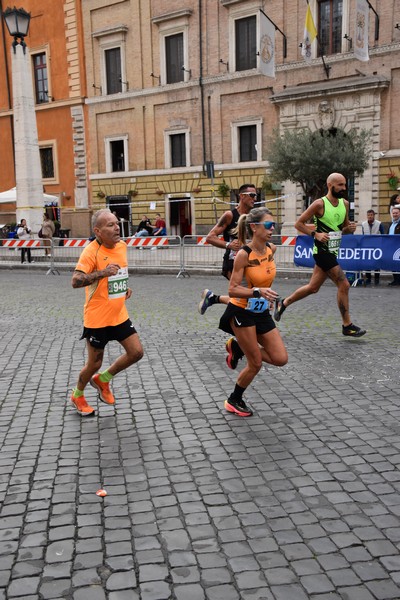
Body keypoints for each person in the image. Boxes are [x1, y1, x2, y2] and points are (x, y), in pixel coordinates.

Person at [274, 172, 366, 337]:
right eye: (340, 185)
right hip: (322, 251)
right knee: (344, 285)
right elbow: (298, 224)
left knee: (313, 287)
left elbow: (342, 229)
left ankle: (284, 303)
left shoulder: (344, 204)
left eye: (345, 185)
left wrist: (349, 229)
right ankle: (347, 325)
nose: (344, 188)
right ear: (331, 186)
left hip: (333, 249)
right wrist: (314, 234)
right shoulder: (319, 204)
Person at [70, 209, 144, 416]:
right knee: (94, 363)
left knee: (136, 352)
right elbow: (75, 281)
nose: (117, 227)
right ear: (98, 231)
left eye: (117, 223)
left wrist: (123, 288)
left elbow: (118, 274)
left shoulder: (121, 246)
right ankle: (77, 394)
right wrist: (103, 272)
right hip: (97, 319)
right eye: (110, 225)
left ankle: (103, 380)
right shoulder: (90, 251)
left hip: (119, 314)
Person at [219, 207, 288, 417]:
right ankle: (234, 399)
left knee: (280, 358)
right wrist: (257, 291)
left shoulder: (271, 249)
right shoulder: (243, 255)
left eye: (273, 225)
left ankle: (238, 345)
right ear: (254, 227)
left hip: (260, 312)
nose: (272, 228)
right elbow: (232, 289)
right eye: (268, 225)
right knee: (255, 362)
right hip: (241, 312)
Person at [198, 183, 262, 370]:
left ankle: (214, 299)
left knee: (245, 300)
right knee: (247, 298)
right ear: (241, 196)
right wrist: (228, 245)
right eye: (251, 195)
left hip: (248, 264)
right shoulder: (229, 215)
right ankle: (239, 342)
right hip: (232, 263)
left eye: (256, 195)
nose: (254, 198)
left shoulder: (253, 217)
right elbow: (210, 237)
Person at [361, 209, 384, 285]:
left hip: (376, 246)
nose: (370, 216)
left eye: (371, 215)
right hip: (367, 246)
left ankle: (377, 279)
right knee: (368, 263)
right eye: (368, 215)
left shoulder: (379, 224)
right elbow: (363, 234)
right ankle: (368, 278)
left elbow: (383, 235)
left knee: (377, 263)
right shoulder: (363, 224)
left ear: (374, 215)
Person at [388, 205, 400, 286]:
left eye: (396, 213)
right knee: (392, 263)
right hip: (391, 246)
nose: (395, 214)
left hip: (398, 247)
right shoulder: (391, 224)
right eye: (393, 213)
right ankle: (395, 279)